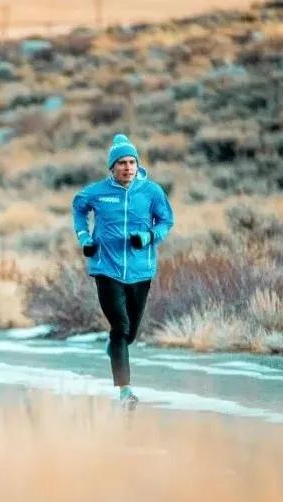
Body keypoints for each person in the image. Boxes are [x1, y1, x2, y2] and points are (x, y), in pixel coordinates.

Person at [72, 134, 174, 405]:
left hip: (141, 271)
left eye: (131, 162)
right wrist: (85, 238)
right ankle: (125, 391)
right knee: (120, 326)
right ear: (112, 167)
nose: (128, 167)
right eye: (121, 163)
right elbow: (78, 208)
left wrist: (150, 237)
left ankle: (115, 349)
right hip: (106, 268)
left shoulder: (152, 192)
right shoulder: (96, 192)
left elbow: (166, 220)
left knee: (129, 334)